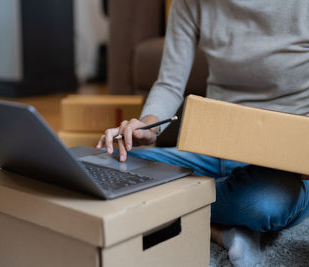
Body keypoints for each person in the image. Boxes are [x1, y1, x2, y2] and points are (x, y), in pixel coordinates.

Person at [96, 1, 309, 266]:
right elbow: (170, 84)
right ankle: (222, 230)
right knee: (109, 167)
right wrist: (148, 124)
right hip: (212, 147)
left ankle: (180, 209)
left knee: (264, 205)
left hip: (281, 164)